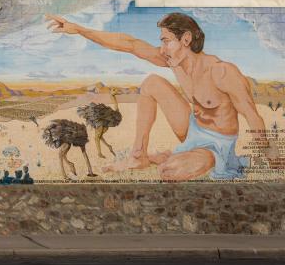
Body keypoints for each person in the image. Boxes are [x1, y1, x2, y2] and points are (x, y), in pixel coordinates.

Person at [46, 12, 267, 180]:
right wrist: (79, 29)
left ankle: (173, 157)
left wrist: (267, 158)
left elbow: (253, 116)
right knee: (152, 83)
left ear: (186, 39)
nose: (161, 49)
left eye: (166, 40)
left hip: (215, 146)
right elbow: (130, 44)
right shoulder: (175, 63)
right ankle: (138, 155)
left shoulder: (222, 71)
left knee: (168, 171)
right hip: (192, 129)